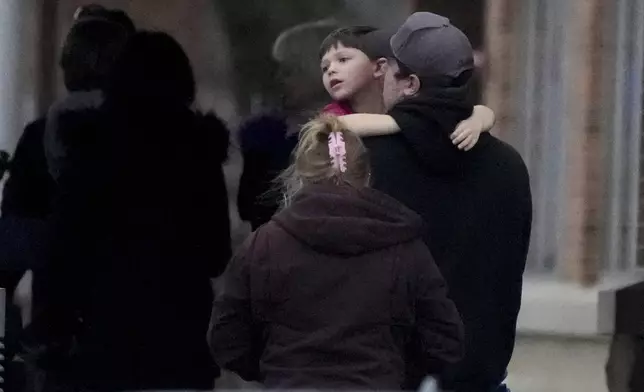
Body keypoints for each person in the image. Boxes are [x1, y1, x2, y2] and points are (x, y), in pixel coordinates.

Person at [340, 13, 533, 392]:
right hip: (482, 379)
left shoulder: (364, 163)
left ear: (410, 83)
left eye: (388, 69)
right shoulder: (509, 167)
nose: (379, 76)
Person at [30, 31, 231, 391]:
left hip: (106, 342)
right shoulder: (199, 151)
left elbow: (62, 249)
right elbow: (216, 254)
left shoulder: (89, 150)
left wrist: (51, 331)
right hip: (179, 346)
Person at [209, 115, 464, 390]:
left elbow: (227, 340)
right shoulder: (404, 246)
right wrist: (395, 370)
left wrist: (275, 369)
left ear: (300, 176)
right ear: (367, 176)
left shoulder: (264, 245)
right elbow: (445, 342)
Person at [318, 25, 496, 151]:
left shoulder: (400, 101)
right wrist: (404, 124)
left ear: (380, 67)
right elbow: (338, 126)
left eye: (343, 60)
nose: (331, 70)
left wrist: (476, 121)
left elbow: (482, 111)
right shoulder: (333, 115)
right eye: (324, 68)